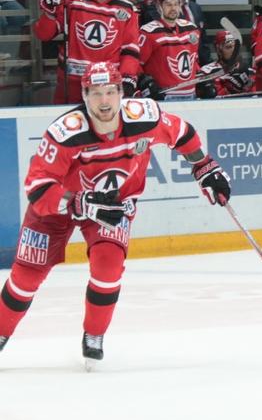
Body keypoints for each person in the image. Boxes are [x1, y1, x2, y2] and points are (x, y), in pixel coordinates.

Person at [0, 62, 232, 362]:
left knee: (108, 267)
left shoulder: (144, 118)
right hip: (56, 207)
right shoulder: (65, 133)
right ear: (84, 95)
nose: (104, 101)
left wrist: (203, 165)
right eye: (96, 93)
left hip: (112, 205)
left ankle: (94, 334)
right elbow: (37, 186)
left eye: (110, 92)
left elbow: (183, 134)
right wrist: (78, 203)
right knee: (25, 277)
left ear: (122, 92)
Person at [34, 0, 141, 104]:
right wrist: (49, 11)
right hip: (71, 80)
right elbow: (43, 34)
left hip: (106, 83)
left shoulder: (127, 9)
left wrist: (127, 77)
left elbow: (130, 49)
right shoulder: (73, 0)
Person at [137, 0, 205, 100]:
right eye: (168, 4)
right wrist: (146, 83)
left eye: (176, 4)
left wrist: (201, 77)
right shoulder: (148, 32)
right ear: (159, 6)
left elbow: (192, 61)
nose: (173, 8)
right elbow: (136, 63)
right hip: (164, 95)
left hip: (191, 94)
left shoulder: (192, 29)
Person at [201, 28, 254, 96]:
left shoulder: (249, 72)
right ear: (218, 50)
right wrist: (229, 89)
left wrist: (246, 88)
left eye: (236, 47)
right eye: (229, 47)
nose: (234, 51)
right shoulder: (207, 71)